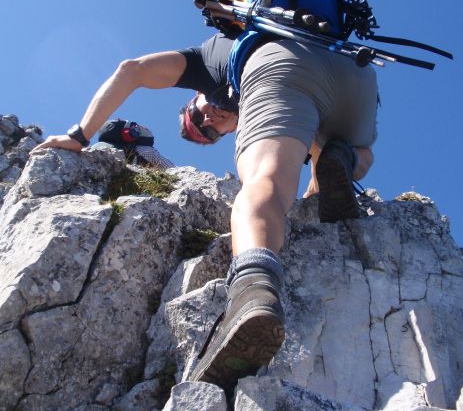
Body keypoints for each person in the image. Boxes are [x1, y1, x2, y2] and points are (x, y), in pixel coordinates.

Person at [33, 27, 378, 390]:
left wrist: (79, 135)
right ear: (231, 130)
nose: (209, 122)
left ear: (196, 95)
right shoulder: (262, 54)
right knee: (344, 157)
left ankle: (253, 290)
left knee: (266, 179)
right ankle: (346, 158)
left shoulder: (206, 62)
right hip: (356, 76)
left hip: (282, 64)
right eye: (208, 133)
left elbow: (131, 69)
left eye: (197, 118)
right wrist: (314, 196)